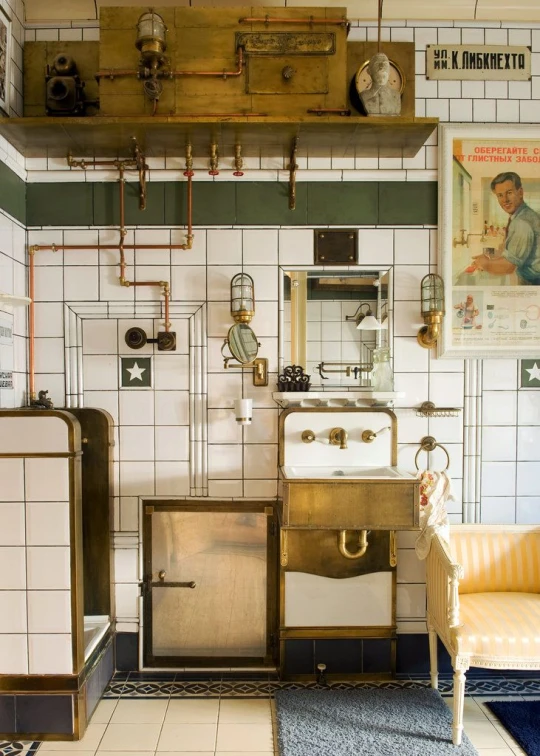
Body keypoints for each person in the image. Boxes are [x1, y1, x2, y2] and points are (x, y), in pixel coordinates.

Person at [470, 172, 540, 285]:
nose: (505, 200)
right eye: (500, 195)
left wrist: (485, 263)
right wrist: (490, 256)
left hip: (533, 283)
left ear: (520, 192)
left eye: (509, 193)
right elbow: (511, 249)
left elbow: (508, 266)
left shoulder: (521, 222)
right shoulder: (522, 215)